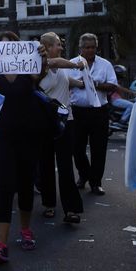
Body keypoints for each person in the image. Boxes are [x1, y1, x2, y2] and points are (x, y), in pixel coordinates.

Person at [0, 31, 48, 264]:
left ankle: (25, 229)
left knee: (25, 184)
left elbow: (41, 74)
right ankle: (1, 244)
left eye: (11, 46)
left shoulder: (29, 70)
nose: (6, 50)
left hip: (29, 133)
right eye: (1, 47)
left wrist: (41, 58)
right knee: (4, 186)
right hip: (1, 134)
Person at [37, 32, 84, 224]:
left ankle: (71, 208)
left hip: (66, 121)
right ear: (47, 48)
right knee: (46, 164)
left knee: (65, 166)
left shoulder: (61, 65)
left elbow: (64, 80)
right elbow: (55, 64)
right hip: (45, 123)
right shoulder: (42, 65)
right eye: (57, 44)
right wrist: (77, 65)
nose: (61, 47)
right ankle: (49, 204)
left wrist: (82, 83)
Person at [68, 33, 118, 195]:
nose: (90, 50)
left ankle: (96, 182)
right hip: (77, 111)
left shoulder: (105, 65)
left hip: (99, 111)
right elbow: (64, 83)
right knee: (77, 148)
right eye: (87, 47)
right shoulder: (71, 64)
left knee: (99, 148)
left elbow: (113, 85)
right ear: (80, 48)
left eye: (93, 47)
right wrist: (79, 84)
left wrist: (95, 84)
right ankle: (84, 175)